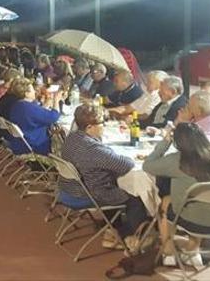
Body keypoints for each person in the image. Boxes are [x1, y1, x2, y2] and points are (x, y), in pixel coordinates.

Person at [143, 123, 210, 266]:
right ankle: (193, 250)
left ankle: (169, 252)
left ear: (177, 142)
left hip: (195, 221)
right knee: (199, 203)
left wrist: (165, 142)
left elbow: (148, 165)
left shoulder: (177, 160)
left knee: (167, 203)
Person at [59, 104, 150, 248]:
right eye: (102, 123)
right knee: (135, 198)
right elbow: (125, 165)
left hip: (67, 189)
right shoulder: (92, 149)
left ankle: (113, 229)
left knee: (115, 187)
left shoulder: (72, 137)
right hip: (88, 193)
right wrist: (130, 158)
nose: (104, 126)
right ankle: (130, 237)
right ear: (89, 127)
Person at [5, 78, 61, 155]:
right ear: (26, 93)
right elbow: (54, 117)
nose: (34, 91)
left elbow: (36, 115)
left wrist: (46, 105)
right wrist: (56, 100)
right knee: (61, 140)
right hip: (35, 144)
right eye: (32, 90)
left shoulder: (18, 104)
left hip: (19, 142)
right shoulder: (29, 108)